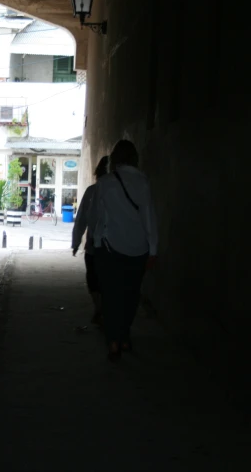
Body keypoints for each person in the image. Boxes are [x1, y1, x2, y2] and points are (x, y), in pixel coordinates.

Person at [87, 140, 158, 361]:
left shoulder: (105, 183)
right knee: (130, 295)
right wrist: (153, 249)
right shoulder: (143, 182)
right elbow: (149, 218)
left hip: (110, 249)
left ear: (115, 159)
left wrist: (94, 244)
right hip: (138, 251)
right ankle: (125, 335)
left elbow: (99, 218)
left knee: (111, 296)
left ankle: (114, 342)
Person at [72, 155, 110, 326]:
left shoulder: (92, 191)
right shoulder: (94, 192)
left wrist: (76, 241)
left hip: (95, 246)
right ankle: (102, 310)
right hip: (111, 247)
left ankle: (99, 309)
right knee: (101, 280)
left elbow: (81, 219)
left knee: (94, 279)